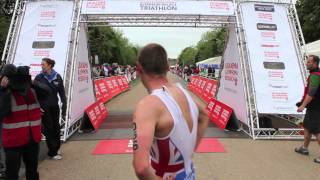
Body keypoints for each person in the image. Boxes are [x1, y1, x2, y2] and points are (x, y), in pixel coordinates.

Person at [132, 44, 209, 179]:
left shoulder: (147, 105)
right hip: (188, 172)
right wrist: (188, 152)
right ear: (167, 67)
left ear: (139, 68)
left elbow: (141, 167)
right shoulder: (183, 92)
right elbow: (204, 116)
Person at [0, 64, 43, 180]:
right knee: (12, 173)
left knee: (32, 170)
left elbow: (48, 93)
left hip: (32, 139)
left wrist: (34, 83)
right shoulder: (4, 92)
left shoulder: (32, 91)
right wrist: (3, 90)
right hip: (13, 141)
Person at [35, 58, 66, 160]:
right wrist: (38, 106)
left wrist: (64, 104)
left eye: (43, 64)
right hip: (44, 107)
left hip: (54, 106)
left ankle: (56, 148)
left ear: (50, 65)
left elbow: (62, 92)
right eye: (41, 64)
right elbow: (35, 94)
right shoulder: (39, 78)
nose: (42, 66)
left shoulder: (57, 77)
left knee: (56, 127)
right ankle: (52, 152)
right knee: (49, 128)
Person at [295, 55, 320, 164]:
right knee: (307, 127)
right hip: (313, 107)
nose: (307, 63)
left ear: (315, 64)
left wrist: (303, 105)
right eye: (307, 61)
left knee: (318, 131)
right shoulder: (314, 74)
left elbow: (311, 93)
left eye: (309, 62)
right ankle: (304, 148)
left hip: (315, 108)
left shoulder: (315, 76)